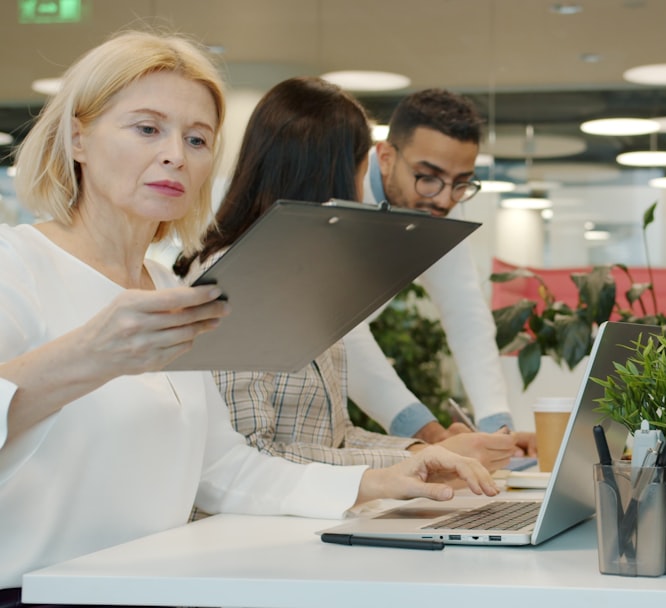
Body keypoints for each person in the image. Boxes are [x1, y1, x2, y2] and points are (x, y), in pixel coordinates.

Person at [0, 31, 498, 598]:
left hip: (149, 586)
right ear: (77, 138)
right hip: (34, 592)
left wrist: (376, 478)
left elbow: (224, 470)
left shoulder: (168, 288)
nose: (174, 155)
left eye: (197, 139)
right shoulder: (15, 267)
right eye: (147, 129)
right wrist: (87, 357)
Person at [175, 77, 516, 471]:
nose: (443, 198)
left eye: (459, 185)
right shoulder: (243, 282)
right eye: (359, 169)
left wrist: (466, 440)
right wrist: (427, 449)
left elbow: (334, 435)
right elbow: (249, 456)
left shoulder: (308, 274)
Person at [355, 88, 537, 455]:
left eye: (460, 183)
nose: (444, 199)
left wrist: (498, 433)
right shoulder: (340, 189)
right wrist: (431, 433)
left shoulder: (438, 204)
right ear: (386, 158)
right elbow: (341, 335)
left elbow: (467, 316)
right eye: (428, 176)